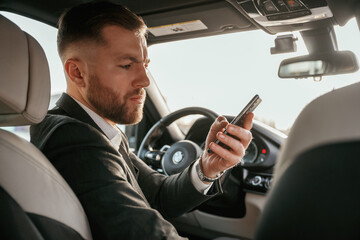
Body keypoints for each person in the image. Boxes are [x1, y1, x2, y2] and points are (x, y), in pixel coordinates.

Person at [30, 1, 254, 239]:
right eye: (126, 65)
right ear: (77, 73)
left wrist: (207, 168)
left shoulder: (96, 129)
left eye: (144, 65)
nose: (145, 80)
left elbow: (157, 196)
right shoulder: (73, 138)